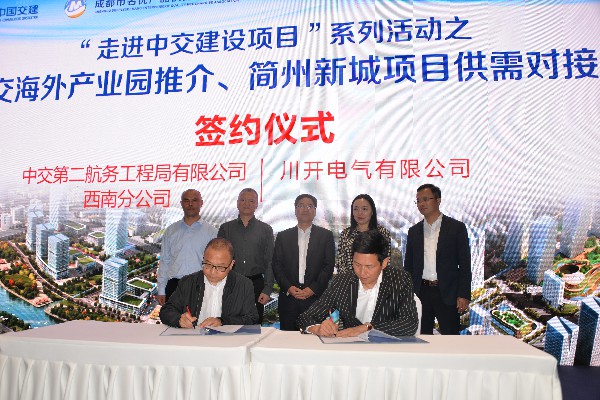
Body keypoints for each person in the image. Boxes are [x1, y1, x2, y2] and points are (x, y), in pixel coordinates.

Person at [298, 230, 418, 337]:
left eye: (369, 267)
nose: (362, 272)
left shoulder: (400, 280)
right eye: (357, 264)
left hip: (386, 349)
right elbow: (306, 317)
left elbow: (410, 323)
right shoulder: (341, 282)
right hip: (351, 350)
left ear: (384, 263)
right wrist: (318, 328)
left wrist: (367, 328)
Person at [404, 184, 471, 335]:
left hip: (447, 292)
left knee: (450, 338)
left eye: (425, 199)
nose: (421, 204)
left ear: (438, 200)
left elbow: (465, 264)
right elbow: (408, 266)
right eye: (418, 201)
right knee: (422, 337)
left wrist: (464, 294)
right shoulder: (414, 231)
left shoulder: (456, 228)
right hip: (421, 292)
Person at [159, 237, 259, 328]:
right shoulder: (188, 282)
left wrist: (222, 322)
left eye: (220, 267)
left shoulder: (243, 285)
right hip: (194, 338)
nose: (212, 272)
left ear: (231, 264)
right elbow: (166, 311)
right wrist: (179, 319)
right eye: (208, 264)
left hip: (226, 340)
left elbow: (252, 319)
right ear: (203, 258)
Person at [272, 194, 335, 331]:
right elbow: (276, 265)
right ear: (295, 210)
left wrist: (313, 289)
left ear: (315, 210)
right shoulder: (283, 236)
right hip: (289, 299)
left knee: (315, 339)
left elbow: (328, 266)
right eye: (301, 205)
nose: (305, 209)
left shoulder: (325, 236)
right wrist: (288, 287)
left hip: (316, 299)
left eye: (310, 206)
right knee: (287, 338)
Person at [218, 188, 274, 324]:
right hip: (230, 283)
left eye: (251, 201)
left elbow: (270, 261)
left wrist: (267, 289)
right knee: (228, 323)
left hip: (256, 284)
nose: (246, 203)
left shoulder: (266, 230)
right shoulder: (226, 228)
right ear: (237, 203)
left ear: (256, 204)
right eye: (243, 200)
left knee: (254, 324)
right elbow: (219, 259)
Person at [157, 189, 217, 305]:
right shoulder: (171, 231)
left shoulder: (212, 232)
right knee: (173, 317)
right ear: (181, 203)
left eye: (194, 200)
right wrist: (161, 290)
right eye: (186, 200)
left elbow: (215, 265)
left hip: (201, 287)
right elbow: (164, 261)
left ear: (201, 203)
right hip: (174, 287)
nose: (190, 204)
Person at [335, 194, 392, 274]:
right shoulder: (345, 234)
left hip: (375, 279)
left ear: (372, 211)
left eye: (364, 209)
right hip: (349, 279)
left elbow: (386, 263)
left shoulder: (383, 233)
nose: (360, 213)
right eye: (356, 209)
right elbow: (340, 264)